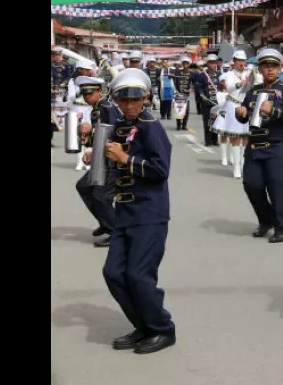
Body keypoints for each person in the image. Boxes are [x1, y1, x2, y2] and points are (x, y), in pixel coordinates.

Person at [87, 68, 176, 354]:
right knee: (113, 272)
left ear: (146, 97)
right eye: (123, 100)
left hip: (149, 213)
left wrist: (125, 158)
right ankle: (143, 325)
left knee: (139, 275)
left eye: (134, 99)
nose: (128, 105)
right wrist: (98, 154)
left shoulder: (151, 127)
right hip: (125, 212)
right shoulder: (124, 125)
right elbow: (117, 164)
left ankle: (162, 329)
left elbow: (161, 170)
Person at [234, 49, 283, 243]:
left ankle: (282, 228)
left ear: (280, 69)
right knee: (251, 184)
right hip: (256, 146)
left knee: (276, 184)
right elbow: (247, 118)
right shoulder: (253, 91)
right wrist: (241, 114)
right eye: (266, 66)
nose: (270, 70)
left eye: (274, 66)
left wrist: (275, 112)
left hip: (281, 146)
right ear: (260, 69)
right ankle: (266, 220)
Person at [74, 76, 120, 247]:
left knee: (100, 196)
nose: (87, 97)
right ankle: (105, 221)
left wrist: (92, 136)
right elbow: (98, 136)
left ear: (100, 91)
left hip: (112, 160)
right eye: (84, 94)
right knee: (84, 186)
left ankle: (116, 233)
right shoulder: (96, 109)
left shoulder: (106, 107)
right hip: (102, 159)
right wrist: (86, 135)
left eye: (90, 93)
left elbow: (114, 133)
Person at [218, 51, 254, 178]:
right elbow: (228, 88)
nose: (241, 63)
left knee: (246, 138)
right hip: (233, 105)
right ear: (234, 61)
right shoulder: (229, 74)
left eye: (243, 61)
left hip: (245, 106)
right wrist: (240, 83)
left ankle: (244, 165)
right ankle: (236, 167)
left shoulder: (249, 73)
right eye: (239, 60)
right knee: (235, 137)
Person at [194, 54, 222, 147]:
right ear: (207, 64)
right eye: (211, 63)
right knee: (207, 122)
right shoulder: (203, 75)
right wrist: (202, 96)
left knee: (216, 121)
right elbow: (199, 87)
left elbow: (222, 87)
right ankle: (208, 140)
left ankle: (215, 140)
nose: (213, 65)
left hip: (217, 103)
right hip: (207, 102)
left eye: (214, 63)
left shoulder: (219, 74)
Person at [173, 56, 193, 131]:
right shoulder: (178, 72)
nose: (185, 65)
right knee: (178, 109)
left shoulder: (191, 73)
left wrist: (191, 89)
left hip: (186, 95)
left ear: (189, 65)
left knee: (186, 110)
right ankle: (178, 125)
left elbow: (193, 83)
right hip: (178, 94)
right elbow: (175, 82)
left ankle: (184, 125)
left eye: (187, 64)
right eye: (184, 63)